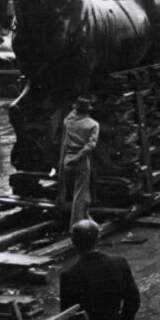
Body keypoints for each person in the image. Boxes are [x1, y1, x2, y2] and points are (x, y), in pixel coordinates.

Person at [58, 97, 100, 228]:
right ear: (88, 110)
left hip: (67, 160)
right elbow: (91, 146)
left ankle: (85, 217)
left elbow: (70, 115)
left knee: (77, 193)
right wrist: (77, 157)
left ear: (76, 109)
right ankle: (76, 226)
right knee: (80, 195)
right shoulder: (93, 124)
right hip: (81, 160)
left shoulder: (68, 122)